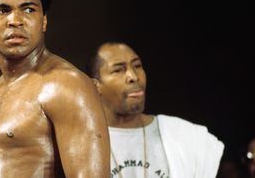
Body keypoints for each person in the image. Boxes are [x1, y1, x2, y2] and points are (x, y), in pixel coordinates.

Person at [0, 0, 110, 177]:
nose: (15, 21)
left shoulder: (65, 84)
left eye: (28, 9)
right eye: (2, 10)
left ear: (44, 20)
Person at [86, 42, 224, 178]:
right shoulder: (84, 144)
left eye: (137, 66)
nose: (134, 77)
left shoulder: (188, 136)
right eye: (118, 70)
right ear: (95, 85)